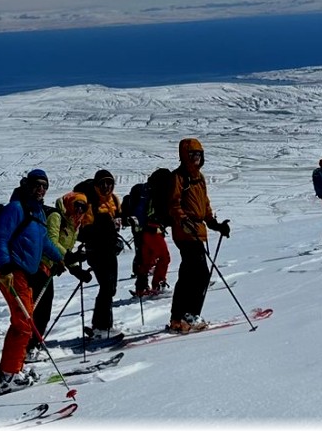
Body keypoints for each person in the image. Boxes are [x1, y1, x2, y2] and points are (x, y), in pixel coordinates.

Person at [0, 169, 64, 394]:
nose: (41, 189)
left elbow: (44, 242)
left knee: (24, 322)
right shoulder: (16, 209)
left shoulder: (37, 212)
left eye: (44, 186)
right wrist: (5, 266)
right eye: (37, 185)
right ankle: (9, 374)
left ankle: (11, 371)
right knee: (23, 323)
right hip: (12, 273)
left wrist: (59, 259)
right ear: (27, 185)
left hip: (24, 274)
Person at [167, 139, 230, 334]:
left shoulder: (199, 177)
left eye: (199, 155)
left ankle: (178, 318)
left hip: (197, 229)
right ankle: (190, 315)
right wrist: (183, 220)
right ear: (184, 156)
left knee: (187, 275)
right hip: (184, 232)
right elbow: (173, 204)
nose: (196, 158)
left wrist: (215, 224)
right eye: (192, 154)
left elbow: (205, 204)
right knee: (200, 275)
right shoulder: (178, 177)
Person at [25, 189, 92, 361]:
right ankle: (28, 347)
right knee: (38, 310)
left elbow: (66, 250)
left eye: (83, 207)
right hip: (38, 266)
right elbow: (52, 242)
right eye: (77, 205)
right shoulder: (56, 216)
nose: (79, 210)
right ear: (70, 203)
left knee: (43, 311)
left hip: (49, 269)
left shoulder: (74, 223)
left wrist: (76, 269)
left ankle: (33, 346)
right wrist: (69, 257)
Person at [76, 169, 124, 339]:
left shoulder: (114, 200)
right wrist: (107, 226)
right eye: (102, 183)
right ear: (96, 185)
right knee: (106, 287)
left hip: (109, 249)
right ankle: (101, 327)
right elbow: (86, 229)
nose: (106, 186)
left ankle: (102, 325)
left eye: (109, 183)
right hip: (96, 250)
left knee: (110, 288)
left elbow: (119, 218)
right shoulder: (90, 202)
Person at [131, 168, 174, 297]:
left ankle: (141, 288)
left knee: (147, 260)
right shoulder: (161, 193)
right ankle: (158, 284)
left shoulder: (147, 191)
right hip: (154, 230)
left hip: (142, 231)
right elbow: (166, 215)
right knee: (164, 257)